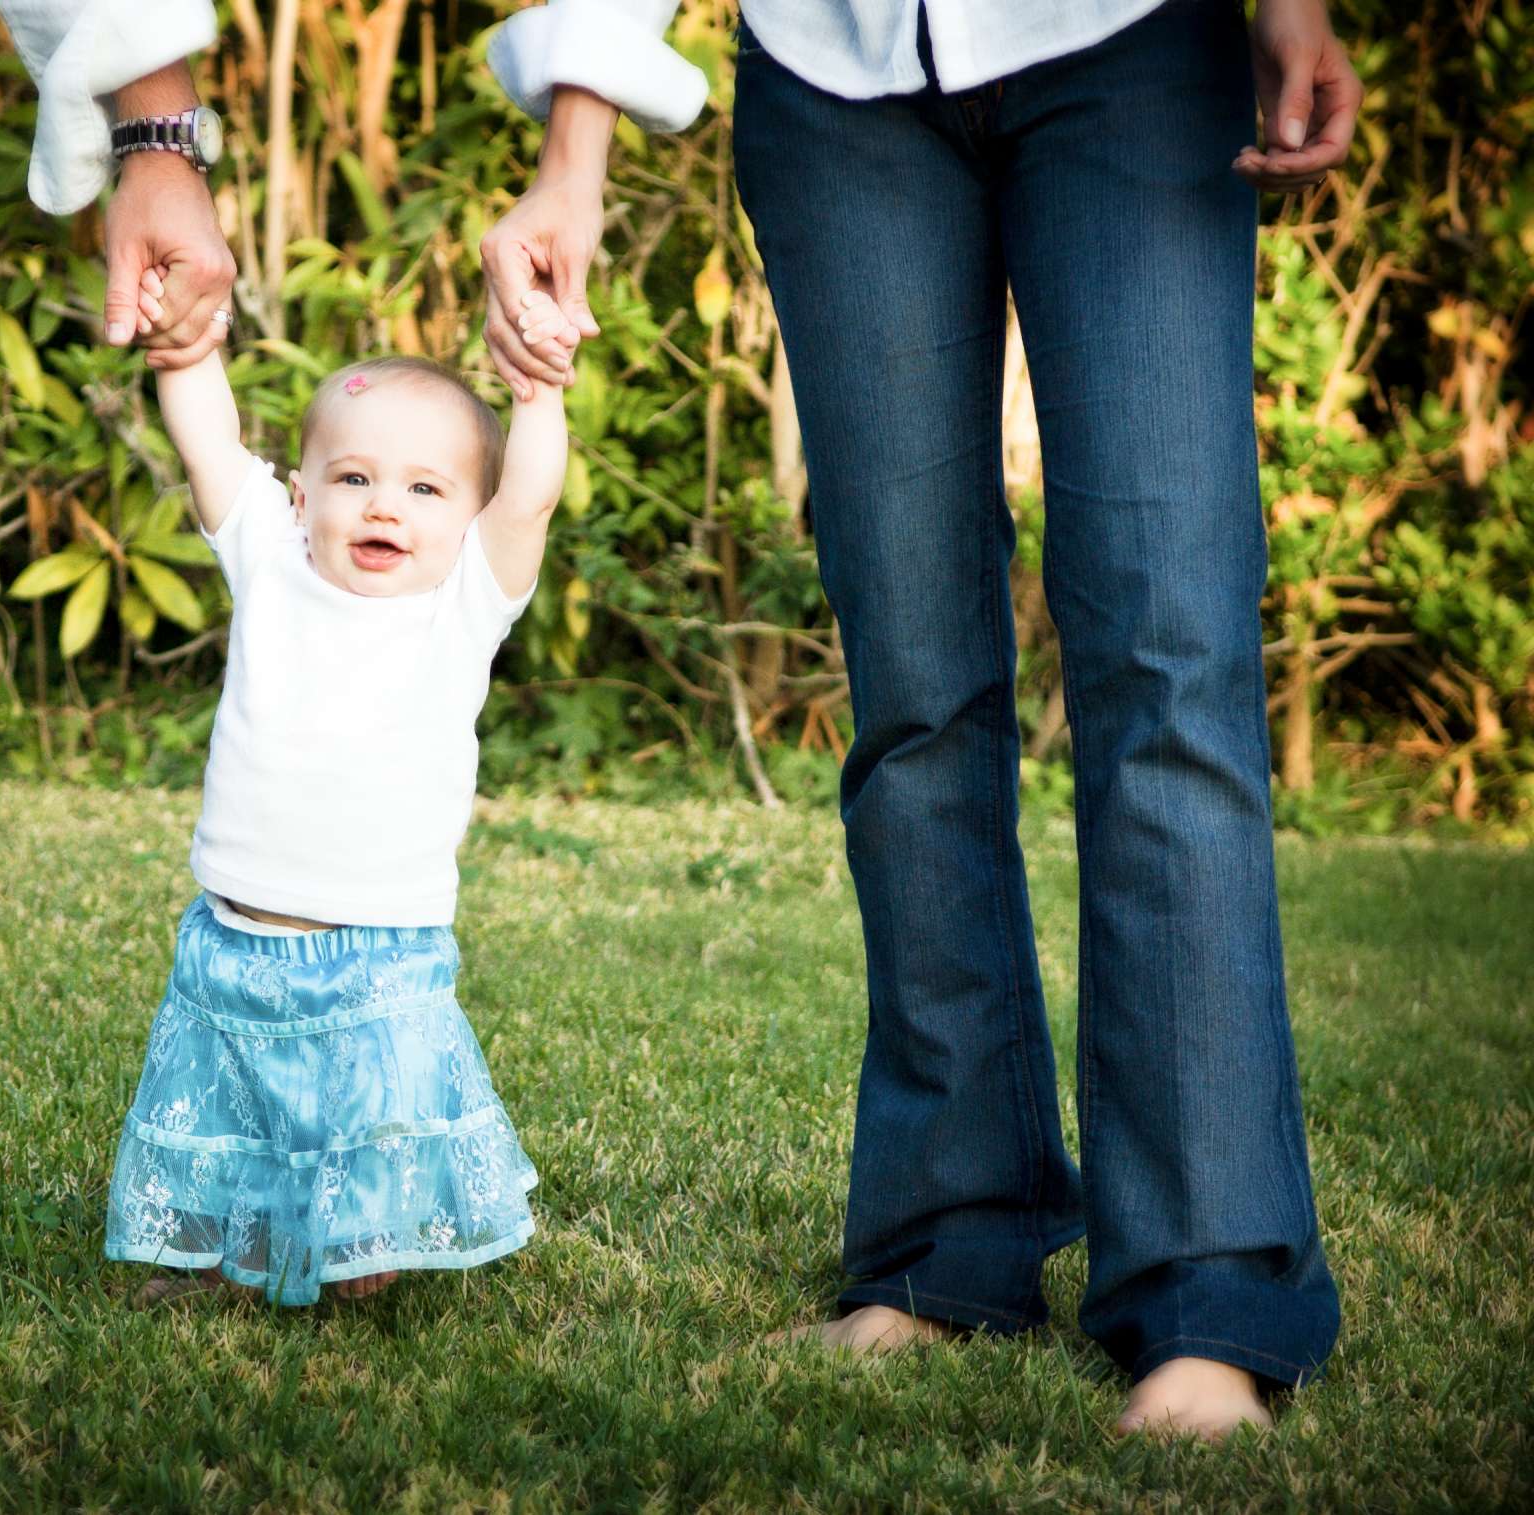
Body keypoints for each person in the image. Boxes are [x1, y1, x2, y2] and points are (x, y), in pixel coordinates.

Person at [479, 0, 1358, 1440]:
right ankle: (947, 1239)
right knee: (913, 686)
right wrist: (574, 154)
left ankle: (1210, 1287)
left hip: (1130, 45)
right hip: (835, 86)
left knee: (1168, 653)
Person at [103, 278, 576, 1306]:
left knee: (368, 1114)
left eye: (424, 489)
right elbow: (212, 452)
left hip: (378, 943)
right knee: (236, 1101)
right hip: (234, 930)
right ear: (304, 493)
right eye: (354, 477)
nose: (382, 506)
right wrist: (186, 356)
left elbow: (531, 495)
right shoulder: (272, 561)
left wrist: (538, 392)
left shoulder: (464, 603)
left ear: (467, 516)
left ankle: (365, 1243)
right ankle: (237, 1254)